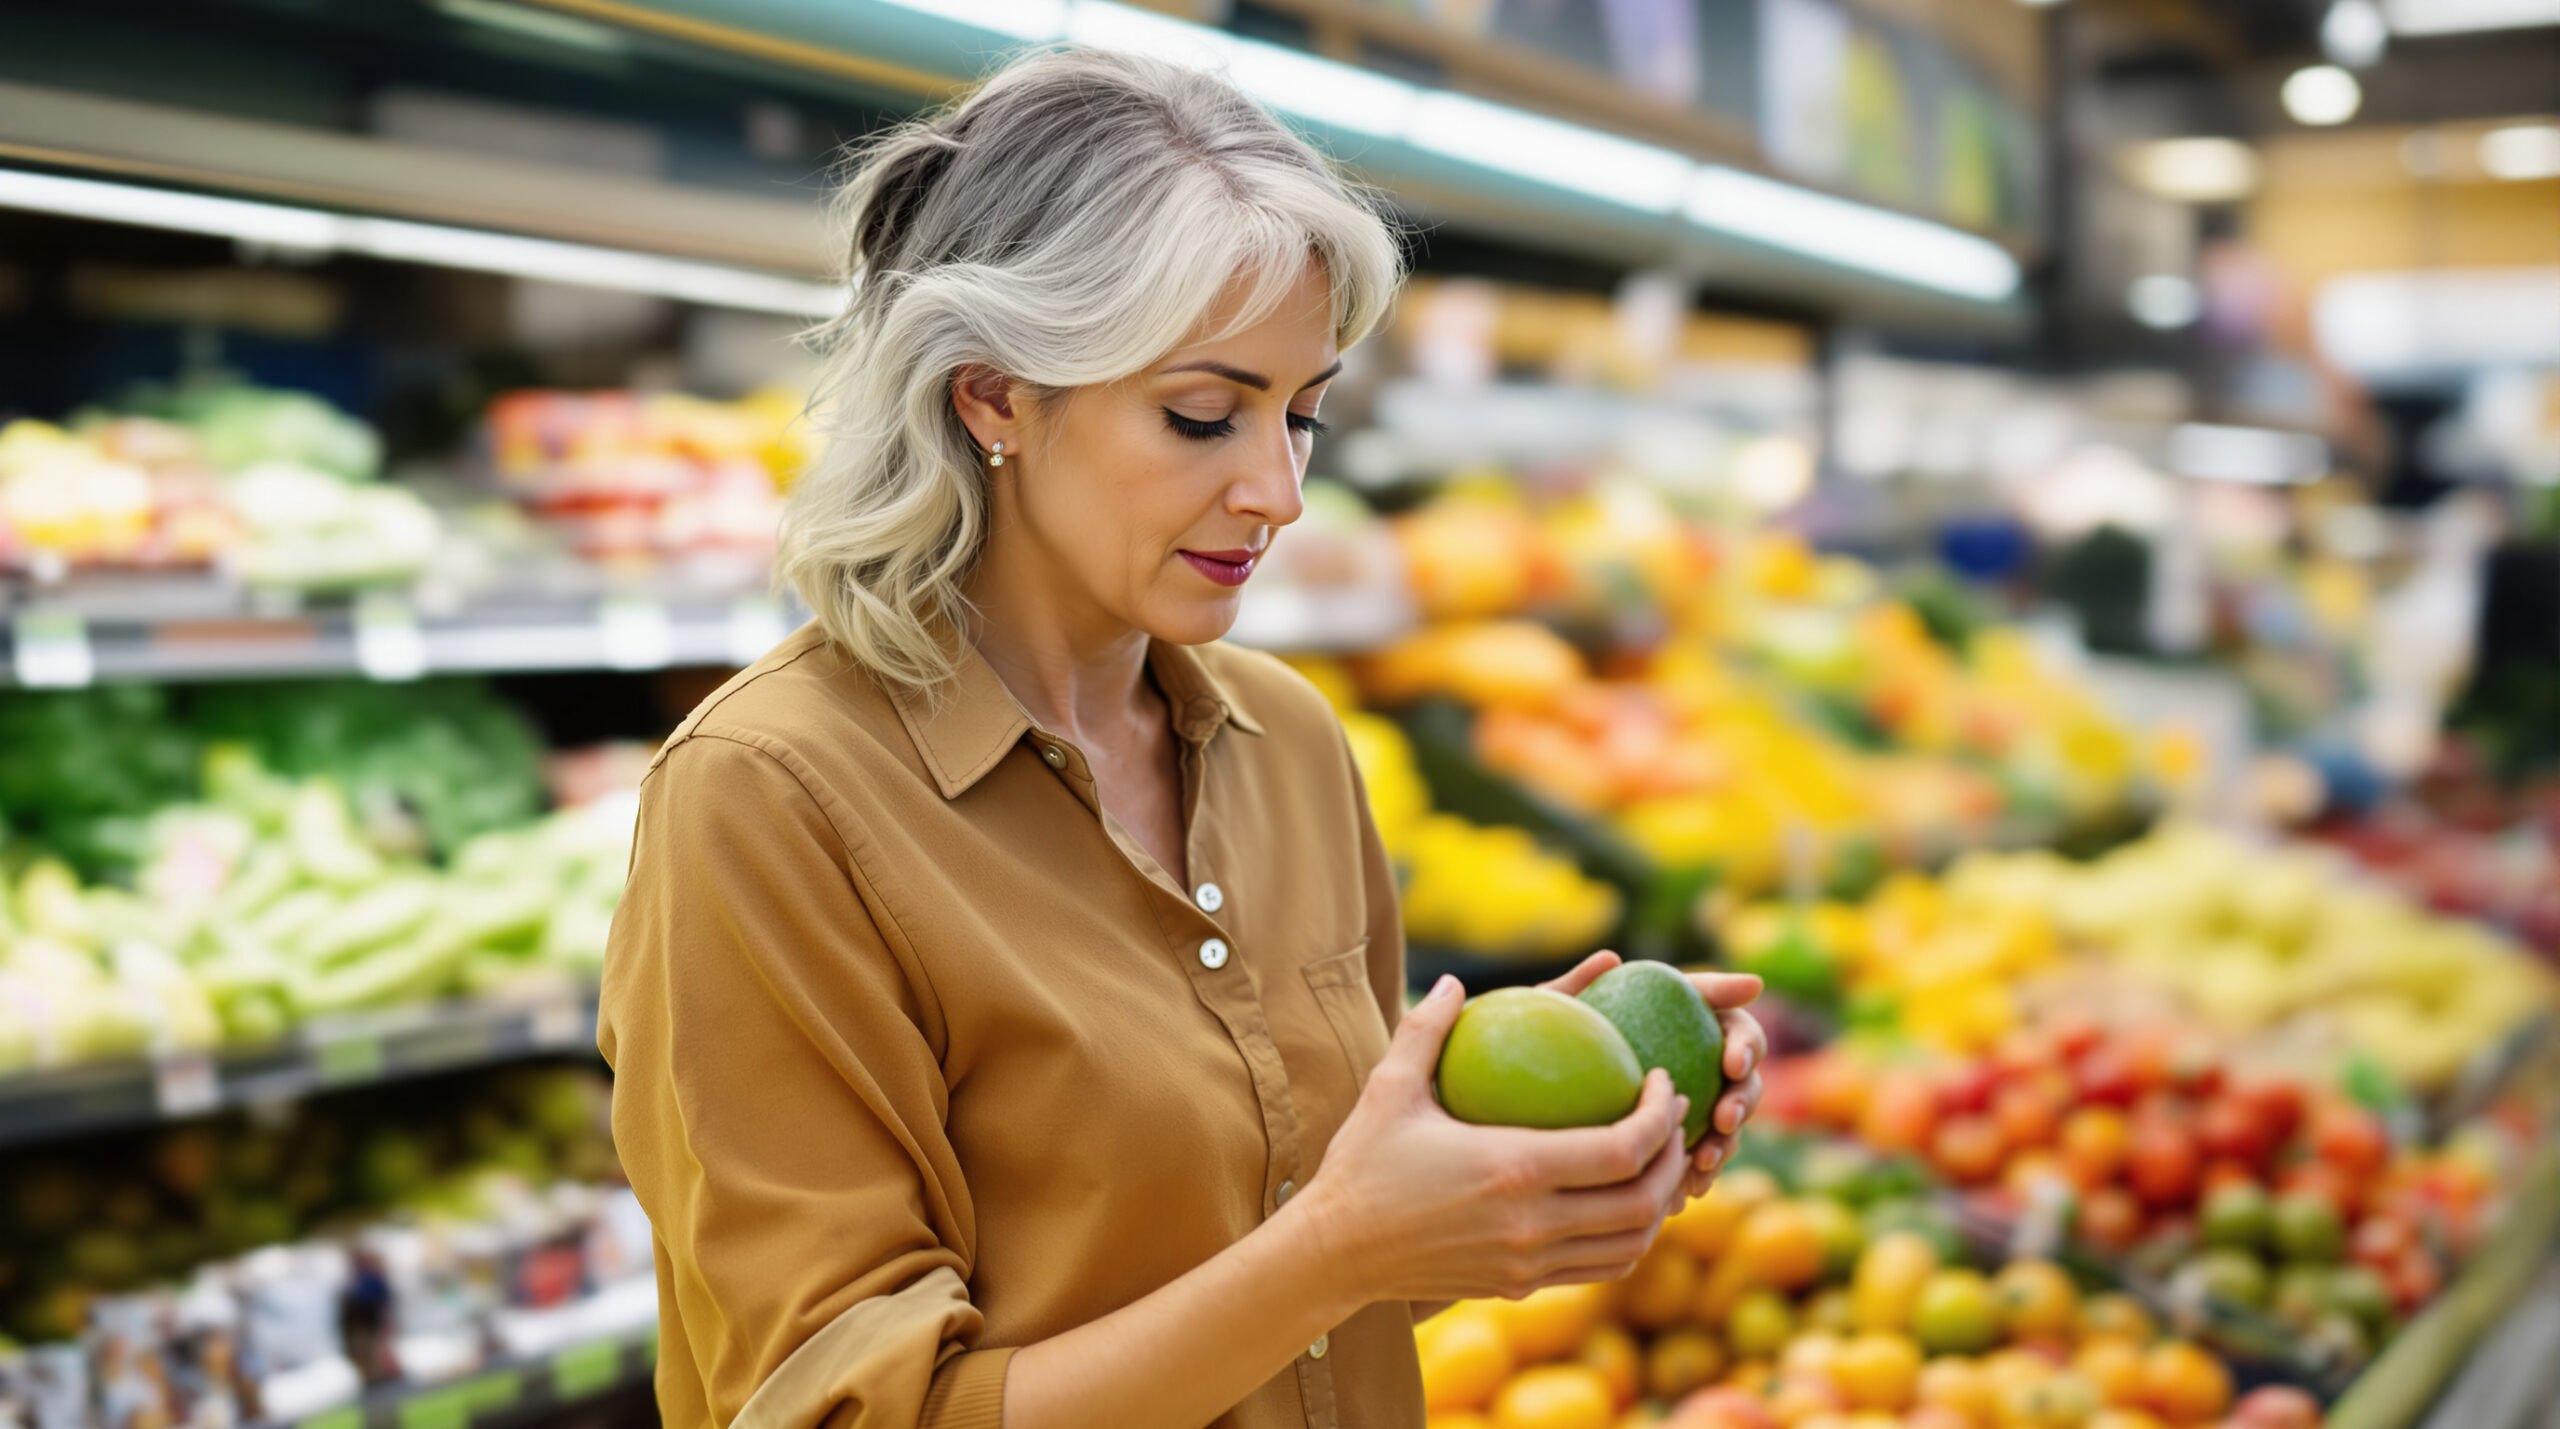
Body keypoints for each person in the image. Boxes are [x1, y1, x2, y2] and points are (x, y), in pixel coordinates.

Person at [599, 47, 1767, 1429]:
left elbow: (1303, 1291)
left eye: (1304, 415)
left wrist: (1521, 1169)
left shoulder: (1289, 742)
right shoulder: (771, 800)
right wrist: (1343, 1244)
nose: (1278, 490)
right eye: (1203, 416)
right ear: (993, 396)